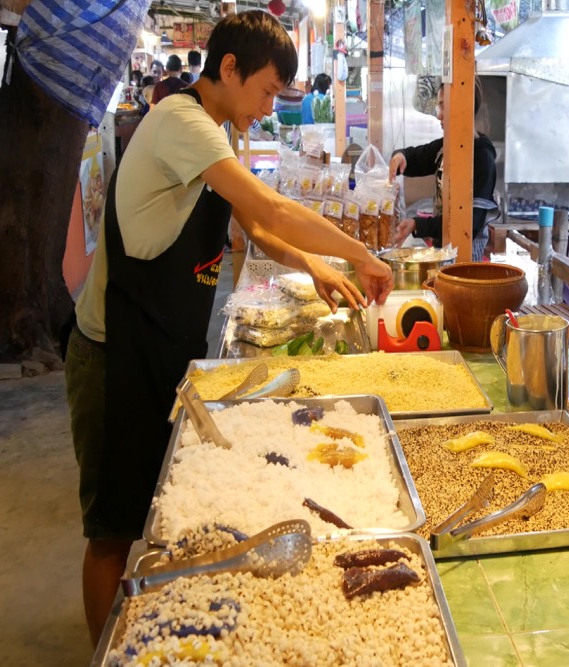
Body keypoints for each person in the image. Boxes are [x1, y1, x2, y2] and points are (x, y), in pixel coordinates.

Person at [64, 10, 392, 647]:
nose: (268, 108)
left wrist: (316, 264)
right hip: (113, 355)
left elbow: (257, 230)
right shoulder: (181, 122)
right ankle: (103, 652)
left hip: (159, 346)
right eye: (267, 91)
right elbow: (271, 206)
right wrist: (360, 253)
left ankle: (145, 641)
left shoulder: (213, 127)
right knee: (112, 532)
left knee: (153, 513)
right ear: (230, 68)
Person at [388, 82, 497, 260]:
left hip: (466, 259)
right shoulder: (447, 146)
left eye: (445, 106)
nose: (439, 116)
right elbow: (417, 157)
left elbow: (469, 224)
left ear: (464, 107)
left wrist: (418, 224)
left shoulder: (482, 157)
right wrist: (401, 156)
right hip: (444, 251)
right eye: (440, 106)